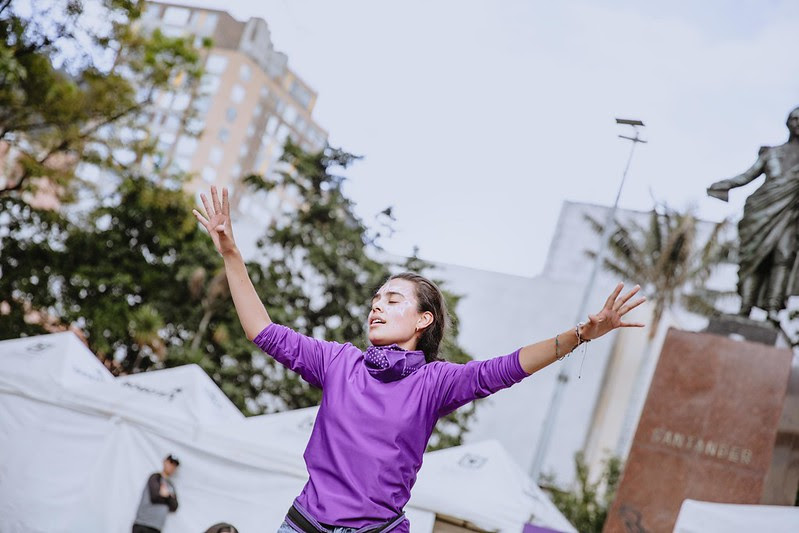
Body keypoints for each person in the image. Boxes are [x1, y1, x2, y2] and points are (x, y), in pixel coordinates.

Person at [193, 186, 645, 533]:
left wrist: (584, 333)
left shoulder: (434, 384)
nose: (376, 306)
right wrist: (231, 253)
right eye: (375, 299)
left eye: (392, 300)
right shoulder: (339, 363)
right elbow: (264, 332)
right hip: (303, 525)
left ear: (423, 319)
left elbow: (508, 367)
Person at [707, 106, 799, 316]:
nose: (798, 123)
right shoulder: (772, 153)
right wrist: (726, 184)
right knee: (755, 257)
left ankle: (773, 309)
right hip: (761, 210)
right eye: (794, 119)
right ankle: (745, 307)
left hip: (789, 216)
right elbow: (747, 176)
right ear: (789, 122)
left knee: (782, 256)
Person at [132, 455, 180, 533]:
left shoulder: (171, 486)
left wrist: (166, 495)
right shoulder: (155, 477)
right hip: (143, 525)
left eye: (175, 465)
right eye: (171, 462)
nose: (172, 466)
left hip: (156, 528)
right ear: (165, 462)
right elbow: (154, 497)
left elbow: (174, 506)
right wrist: (169, 498)